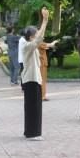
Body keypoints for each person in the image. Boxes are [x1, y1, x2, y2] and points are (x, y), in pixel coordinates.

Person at [22, 7, 49, 141]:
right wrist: (45, 20)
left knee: (34, 107)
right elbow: (39, 40)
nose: (38, 34)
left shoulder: (31, 47)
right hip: (31, 81)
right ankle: (32, 133)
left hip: (34, 80)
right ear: (31, 36)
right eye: (36, 33)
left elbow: (38, 40)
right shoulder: (28, 46)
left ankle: (31, 131)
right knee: (33, 108)